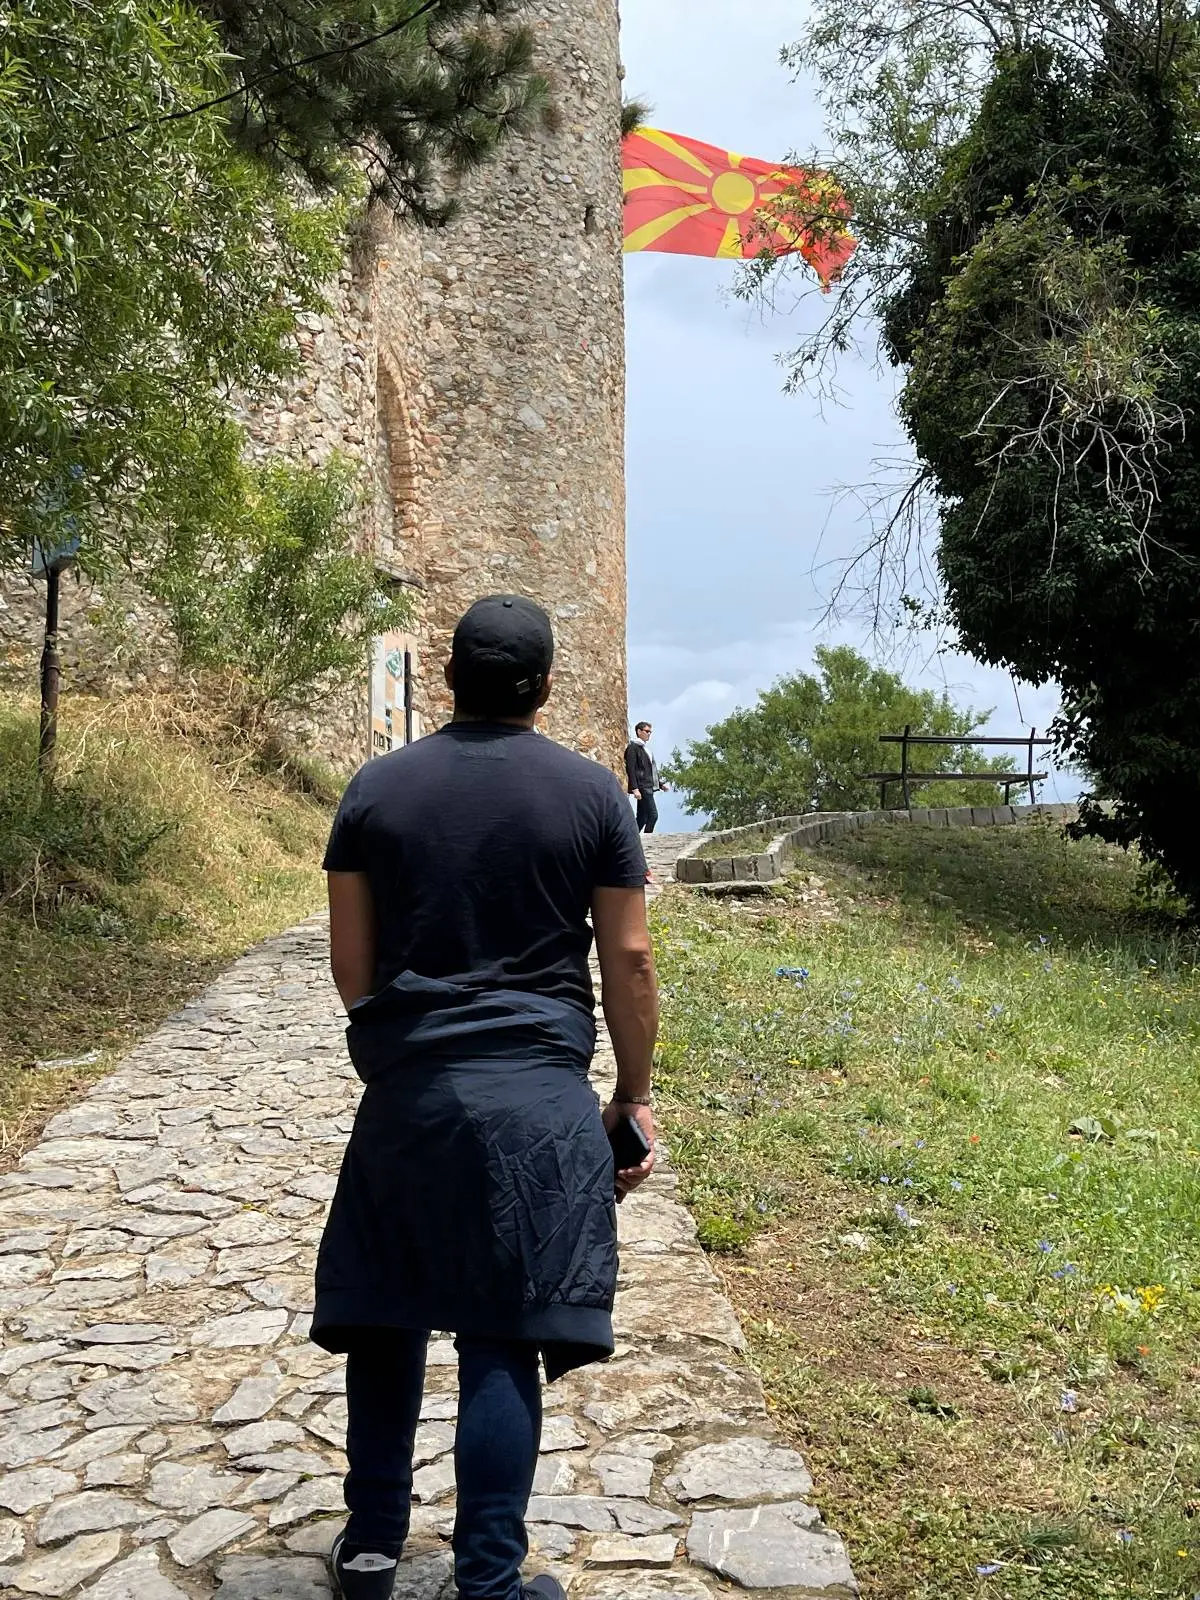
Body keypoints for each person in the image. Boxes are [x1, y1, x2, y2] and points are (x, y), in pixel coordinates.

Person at [316, 595, 659, 1600]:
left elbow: (352, 969)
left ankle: (374, 1546)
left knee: (384, 1312)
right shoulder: (593, 798)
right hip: (542, 1103)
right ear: (545, 687)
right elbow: (628, 958)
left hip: (407, 1095)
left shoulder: (374, 792)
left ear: (451, 679)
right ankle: (492, 1583)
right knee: (502, 1331)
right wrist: (631, 1095)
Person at [624, 720, 668, 834]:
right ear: (639, 731)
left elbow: (650, 771)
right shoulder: (633, 748)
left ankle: (630, 838)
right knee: (653, 815)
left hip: (648, 785)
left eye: (650, 732)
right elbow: (631, 769)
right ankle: (648, 839)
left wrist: (660, 784)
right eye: (647, 731)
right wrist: (635, 788)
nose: (649, 734)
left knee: (642, 817)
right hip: (643, 787)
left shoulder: (645, 749)